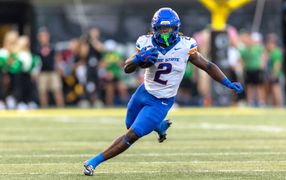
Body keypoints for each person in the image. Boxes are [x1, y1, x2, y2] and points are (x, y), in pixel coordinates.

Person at [83, 7, 243, 176]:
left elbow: (208, 66)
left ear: (176, 28)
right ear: (154, 28)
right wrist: (137, 59)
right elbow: (127, 68)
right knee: (130, 124)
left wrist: (227, 82)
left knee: (132, 134)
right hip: (143, 92)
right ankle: (159, 125)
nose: (165, 33)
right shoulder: (145, 42)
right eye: (161, 29)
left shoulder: (185, 46)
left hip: (162, 101)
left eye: (169, 29)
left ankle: (93, 162)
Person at [36, 27, 64, 108]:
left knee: (57, 90)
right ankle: (44, 108)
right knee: (42, 91)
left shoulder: (53, 46)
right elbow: (36, 62)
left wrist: (59, 69)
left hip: (53, 72)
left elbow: (57, 58)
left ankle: (61, 108)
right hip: (42, 72)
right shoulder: (37, 48)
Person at [265, 33, 284, 107]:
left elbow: (277, 65)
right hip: (271, 75)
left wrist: (274, 74)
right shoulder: (270, 53)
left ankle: (279, 107)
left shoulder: (276, 52)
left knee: (276, 92)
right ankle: (274, 107)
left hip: (276, 75)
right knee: (271, 94)